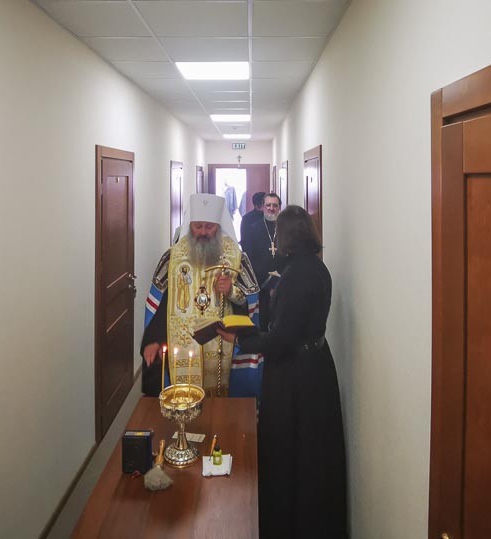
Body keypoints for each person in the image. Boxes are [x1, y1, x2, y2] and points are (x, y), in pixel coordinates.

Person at [218, 205, 347, 538]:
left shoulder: (297, 276)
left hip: (296, 374)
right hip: (316, 364)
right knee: (314, 449)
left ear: (286, 235)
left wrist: (241, 338)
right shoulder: (317, 267)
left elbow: (282, 339)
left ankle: (288, 522)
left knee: (291, 448)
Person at [141, 193, 262, 398]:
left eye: (209, 227)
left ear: (218, 226)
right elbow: (160, 306)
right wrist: (153, 340)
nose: (203, 232)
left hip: (222, 344)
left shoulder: (236, 257)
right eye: (198, 226)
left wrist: (230, 291)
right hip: (182, 344)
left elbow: (251, 306)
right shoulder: (172, 258)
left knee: (221, 405)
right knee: (182, 399)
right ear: (190, 225)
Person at [243, 193, 282, 329]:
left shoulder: (285, 229)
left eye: (275, 205)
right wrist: (268, 281)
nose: (271, 208)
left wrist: (277, 281)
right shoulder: (254, 228)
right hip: (261, 284)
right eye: (268, 205)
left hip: (282, 284)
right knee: (263, 323)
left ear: (279, 208)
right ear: (263, 207)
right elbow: (249, 257)